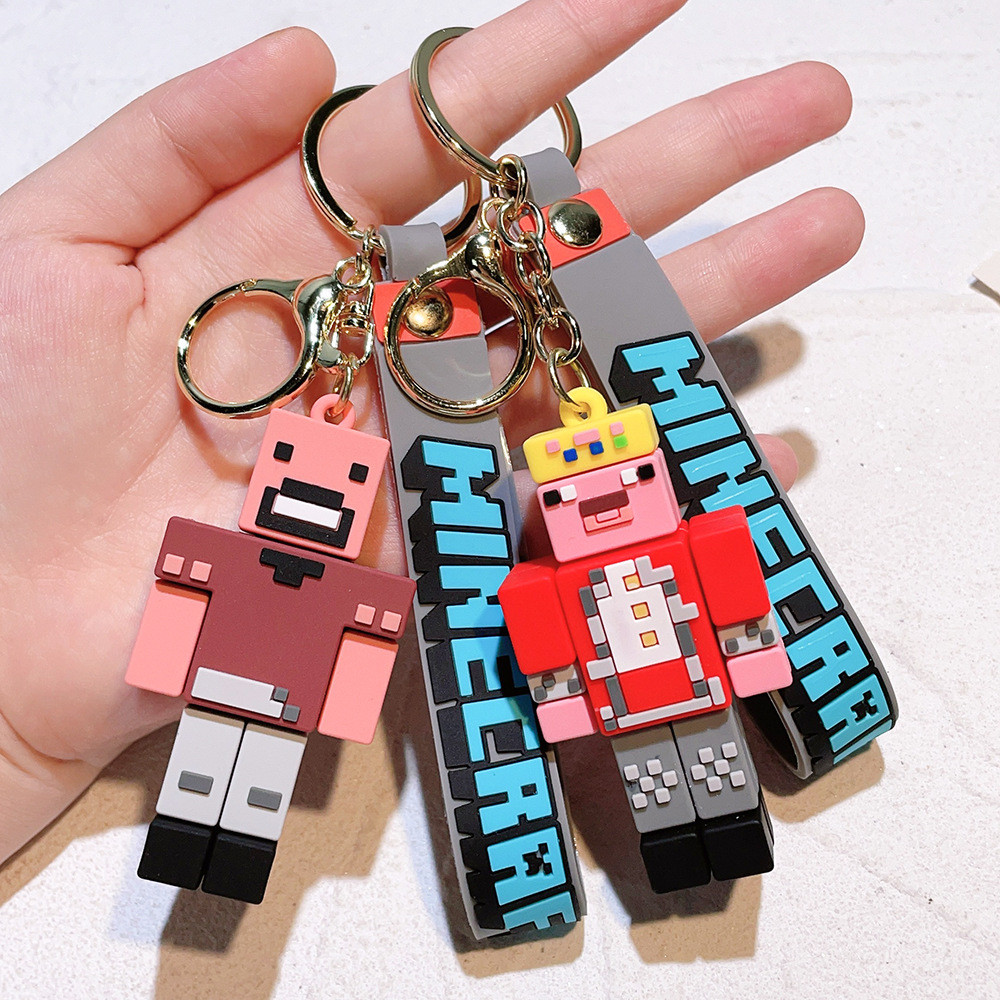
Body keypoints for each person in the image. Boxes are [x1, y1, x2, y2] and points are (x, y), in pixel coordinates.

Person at [0, 0, 862, 867]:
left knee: (699, 777)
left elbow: (716, 578)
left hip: (670, 688)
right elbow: (237, 599)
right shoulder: (257, 558)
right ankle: (202, 847)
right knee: (216, 788)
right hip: (269, 687)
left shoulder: (669, 545)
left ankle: (712, 835)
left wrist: (743, 656)